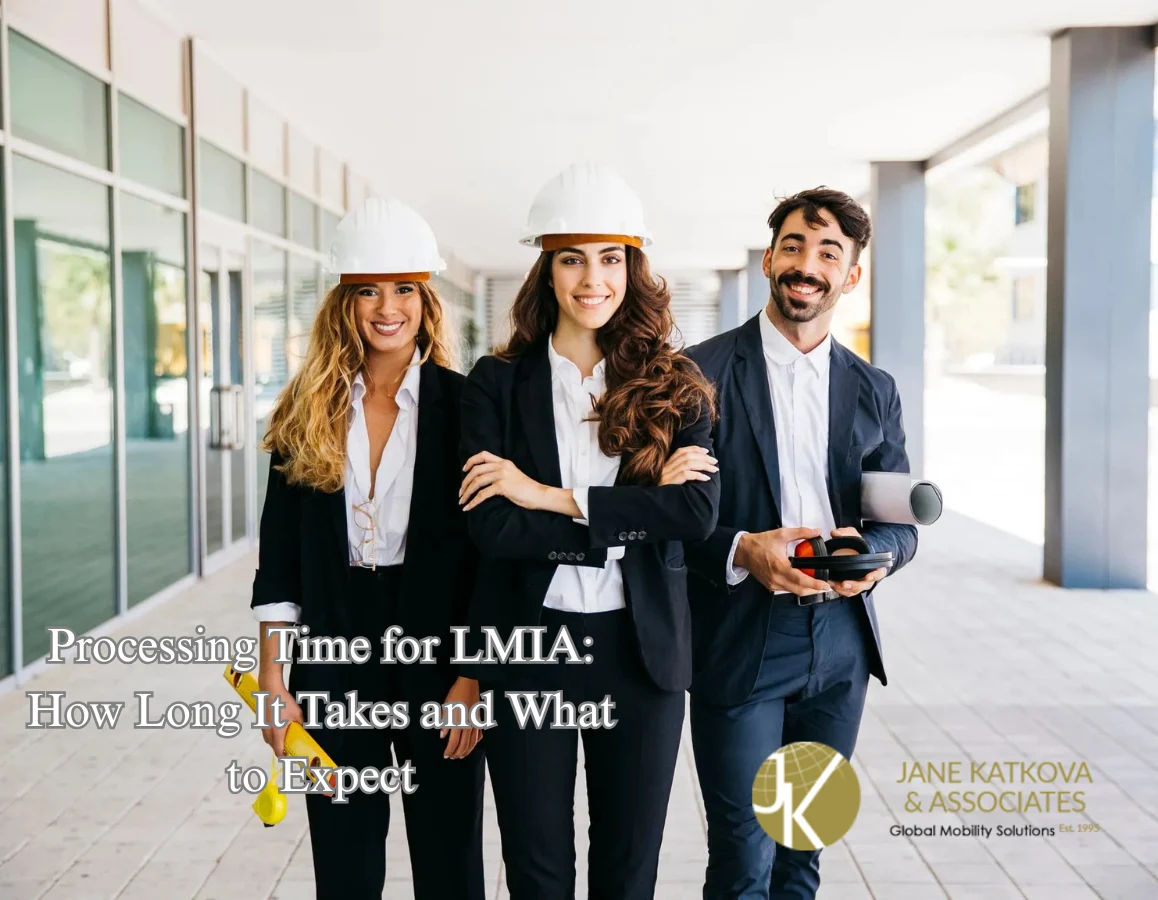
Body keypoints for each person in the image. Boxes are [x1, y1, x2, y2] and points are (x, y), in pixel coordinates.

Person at [457, 162, 721, 900]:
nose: (591, 278)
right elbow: (492, 529)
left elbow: (695, 515)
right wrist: (629, 513)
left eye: (610, 258)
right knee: (537, 871)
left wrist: (547, 495)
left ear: (633, 268)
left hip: (640, 656)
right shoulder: (495, 383)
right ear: (546, 269)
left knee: (628, 871)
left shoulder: (676, 383)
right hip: (529, 646)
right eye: (572, 258)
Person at [684, 187, 919, 899]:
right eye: (793, 246)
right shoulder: (699, 374)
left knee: (801, 848)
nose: (806, 265)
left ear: (849, 275)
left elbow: (900, 517)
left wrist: (874, 558)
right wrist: (743, 549)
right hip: (742, 638)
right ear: (768, 260)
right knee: (743, 857)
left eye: (827, 253)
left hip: (840, 644)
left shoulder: (874, 388)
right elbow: (668, 520)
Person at [249, 197, 486, 900]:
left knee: (450, 862)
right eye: (368, 291)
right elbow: (280, 560)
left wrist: (472, 677)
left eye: (404, 289)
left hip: (438, 655)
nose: (388, 307)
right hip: (334, 655)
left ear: (425, 299)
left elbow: (484, 557)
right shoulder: (307, 407)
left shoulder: (467, 405)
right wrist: (272, 680)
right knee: (344, 863)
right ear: (342, 303)